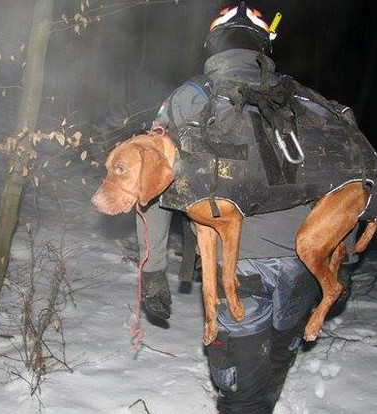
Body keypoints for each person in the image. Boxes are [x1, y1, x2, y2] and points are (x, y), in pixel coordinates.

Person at [136, 3, 362, 412]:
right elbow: (347, 176)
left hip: (235, 269)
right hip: (304, 263)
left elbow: (149, 181)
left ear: (214, 44)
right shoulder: (305, 99)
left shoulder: (189, 98)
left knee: (241, 390)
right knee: (277, 362)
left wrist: (152, 271)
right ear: (263, 45)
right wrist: (339, 255)